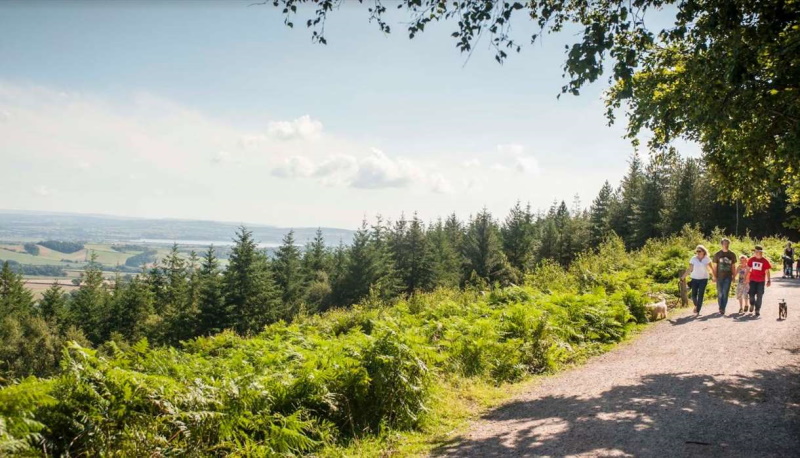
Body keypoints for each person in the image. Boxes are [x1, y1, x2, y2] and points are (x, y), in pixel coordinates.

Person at [682, 244, 715, 317]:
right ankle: (697, 306)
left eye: (699, 251)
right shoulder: (693, 259)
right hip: (694, 279)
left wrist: (713, 277)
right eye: (697, 251)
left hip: (704, 279)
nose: (698, 252)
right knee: (693, 295)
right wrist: (683, 277)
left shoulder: (707, 259)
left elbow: (711, 269)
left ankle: (697, 310)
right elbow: (689, 269)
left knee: (701, 295)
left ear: (703, 251)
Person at [712, 238, 737, 315]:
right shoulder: (717, 254)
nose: (725, 245)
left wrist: (734, 277)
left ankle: (723, 308)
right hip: (719, 277)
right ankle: (720, 307)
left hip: (728, 277)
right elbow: (715, 267)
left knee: (725, 292)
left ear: (729, 244)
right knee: (720, 293)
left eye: (727, 243)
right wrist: (714, 276)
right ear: (721, 244)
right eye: (724, 243)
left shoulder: (732, 254)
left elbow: (733, 267)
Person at [747, 245, 772, 317]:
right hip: (752, 280)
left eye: (758, 252)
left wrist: (769, 280)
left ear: (761, 252)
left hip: (761, 281)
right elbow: (748, 269)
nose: (756, 253)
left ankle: (757, 309)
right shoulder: (751, 259)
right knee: (751, 295)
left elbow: (767, 271)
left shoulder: (765, 261)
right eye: (755, 251)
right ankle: (752, 304)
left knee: (759, 296)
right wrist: (746, 278)